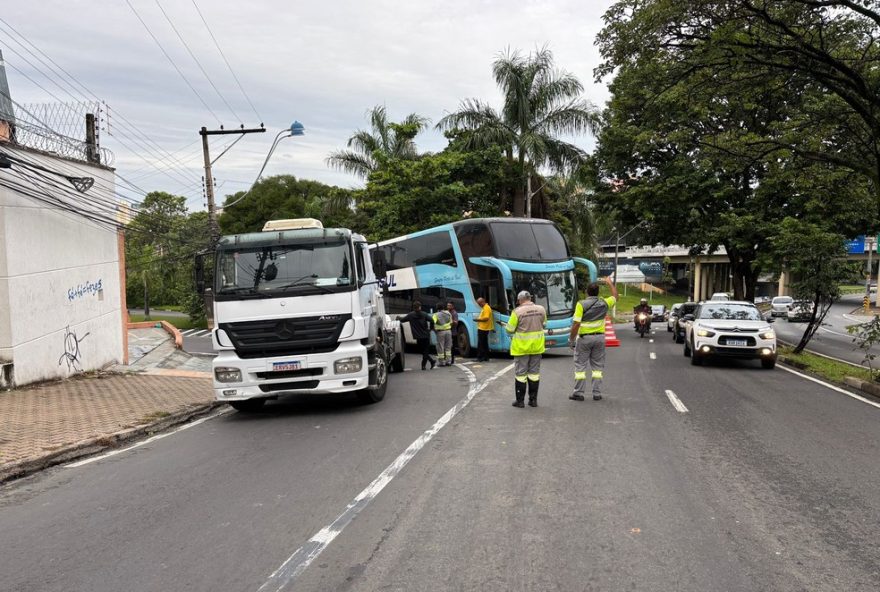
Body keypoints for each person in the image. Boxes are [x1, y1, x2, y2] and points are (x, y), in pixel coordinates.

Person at [568, 276, 619, 401]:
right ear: (598, 292)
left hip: (584, 339)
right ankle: (597, 393)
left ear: (587, 292)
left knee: (580, 367)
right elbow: (615, 296)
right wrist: (609, 283)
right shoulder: (604, 303)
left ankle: (578, 393)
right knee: (597, 367)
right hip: (600, 338)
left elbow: (576, 324)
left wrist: (571, 339)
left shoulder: (581, 304)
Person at [506, 290, 547, 408]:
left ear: (520, 300)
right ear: (530, 298)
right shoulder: (541, 309)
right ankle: (533, 401)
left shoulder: (517, 312)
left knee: (520, 375)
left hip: (522, 348)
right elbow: (544, 324)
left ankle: (520, 401)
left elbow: (509, 329)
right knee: (534, 374)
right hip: (537, 347)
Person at [400, 301, 435, 370]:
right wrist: (430, 329)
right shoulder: (424, 314)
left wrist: (398, 318)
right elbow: (432, 320)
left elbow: (403, 320)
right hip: (426, 335)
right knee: (425, 351)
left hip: (418, 336)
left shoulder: (410, 315)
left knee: (422, 351)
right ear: (420, 307)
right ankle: (427, 364)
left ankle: (429, 363)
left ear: (413, 307)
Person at [475, 297, 494, 362]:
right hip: (484, 328)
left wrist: (478, 319)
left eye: (479, 303)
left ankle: (480, 357)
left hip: (483, 328)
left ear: (482, 302)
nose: (479, 305)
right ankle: (486, 357)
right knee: (484, 343)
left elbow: (486, 318)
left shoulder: (486, 308)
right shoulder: (486, 307)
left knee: (481, 343)